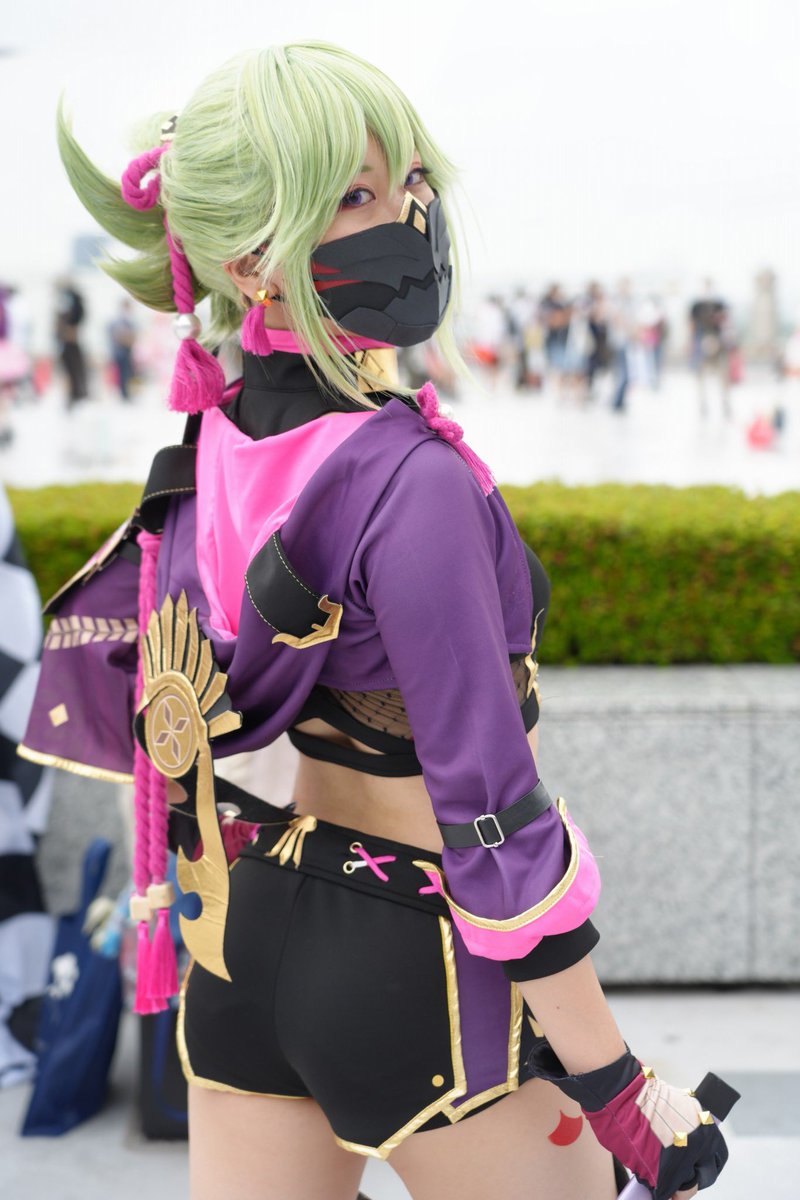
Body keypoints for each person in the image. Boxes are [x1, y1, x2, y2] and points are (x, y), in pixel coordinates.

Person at [20, 44, 734, 1200]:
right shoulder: (414, 481)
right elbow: (490, 814)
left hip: (245, 940)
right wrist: (613, 1083)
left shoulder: (207, 450)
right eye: (353, 194)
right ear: (251, 258)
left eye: (405, 181)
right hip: (416, 962)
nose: (405, 216)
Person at [54, 277, 88, 406]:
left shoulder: (69, 301)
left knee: (72, 370)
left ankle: (75, 395)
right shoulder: (69, 301)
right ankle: (74, 395)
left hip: (69, 340)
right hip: (67, 340)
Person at [108, 298, 138, 400]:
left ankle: (126, 393)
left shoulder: (129, 321)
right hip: (120, 351)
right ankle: (124, 394)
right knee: (122, 373)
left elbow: (132, 336)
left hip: (127, 351)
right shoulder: (118, 322)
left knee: (127, 373)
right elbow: (119, 336)